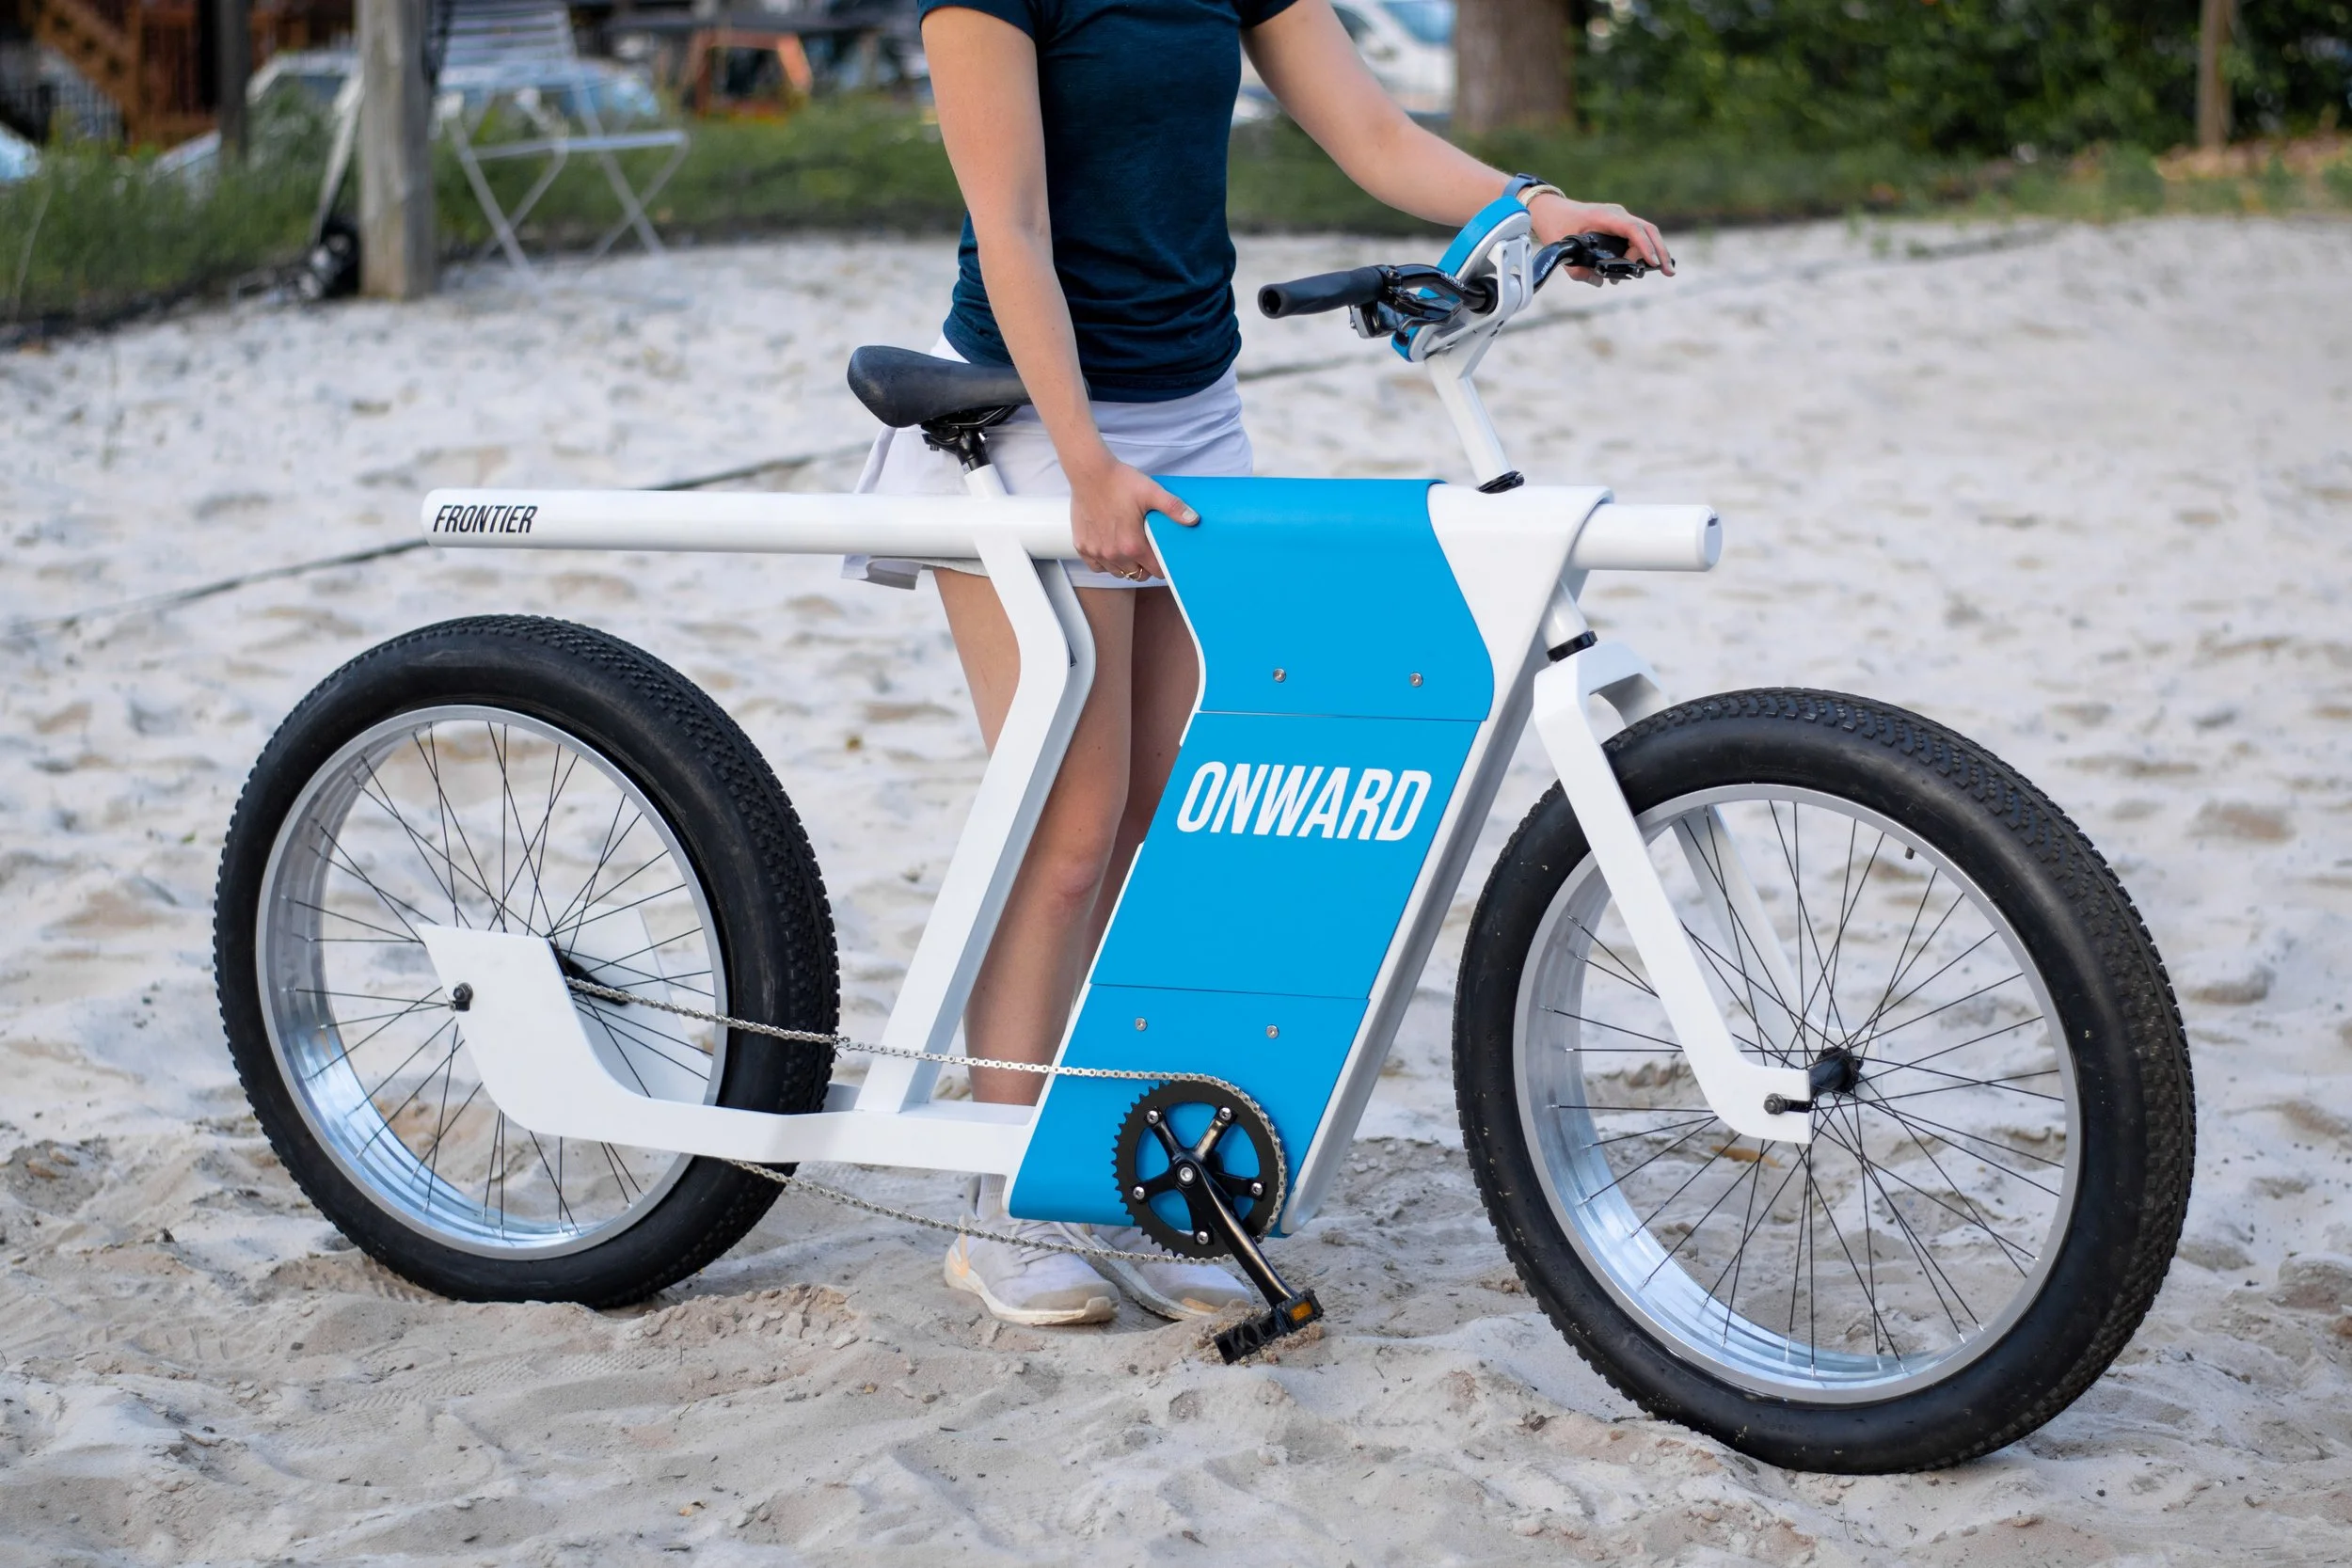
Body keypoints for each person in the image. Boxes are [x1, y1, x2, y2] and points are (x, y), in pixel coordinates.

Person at [850, 0, 1674, 1327]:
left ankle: (1132, 1170)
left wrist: (1534, 206)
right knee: (1069, 826)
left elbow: (1373, 133)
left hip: (1194, 411)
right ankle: (1004, 1196)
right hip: (1032, 417)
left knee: (1173, 820)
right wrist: (1084, 461)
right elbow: (1010, 227)